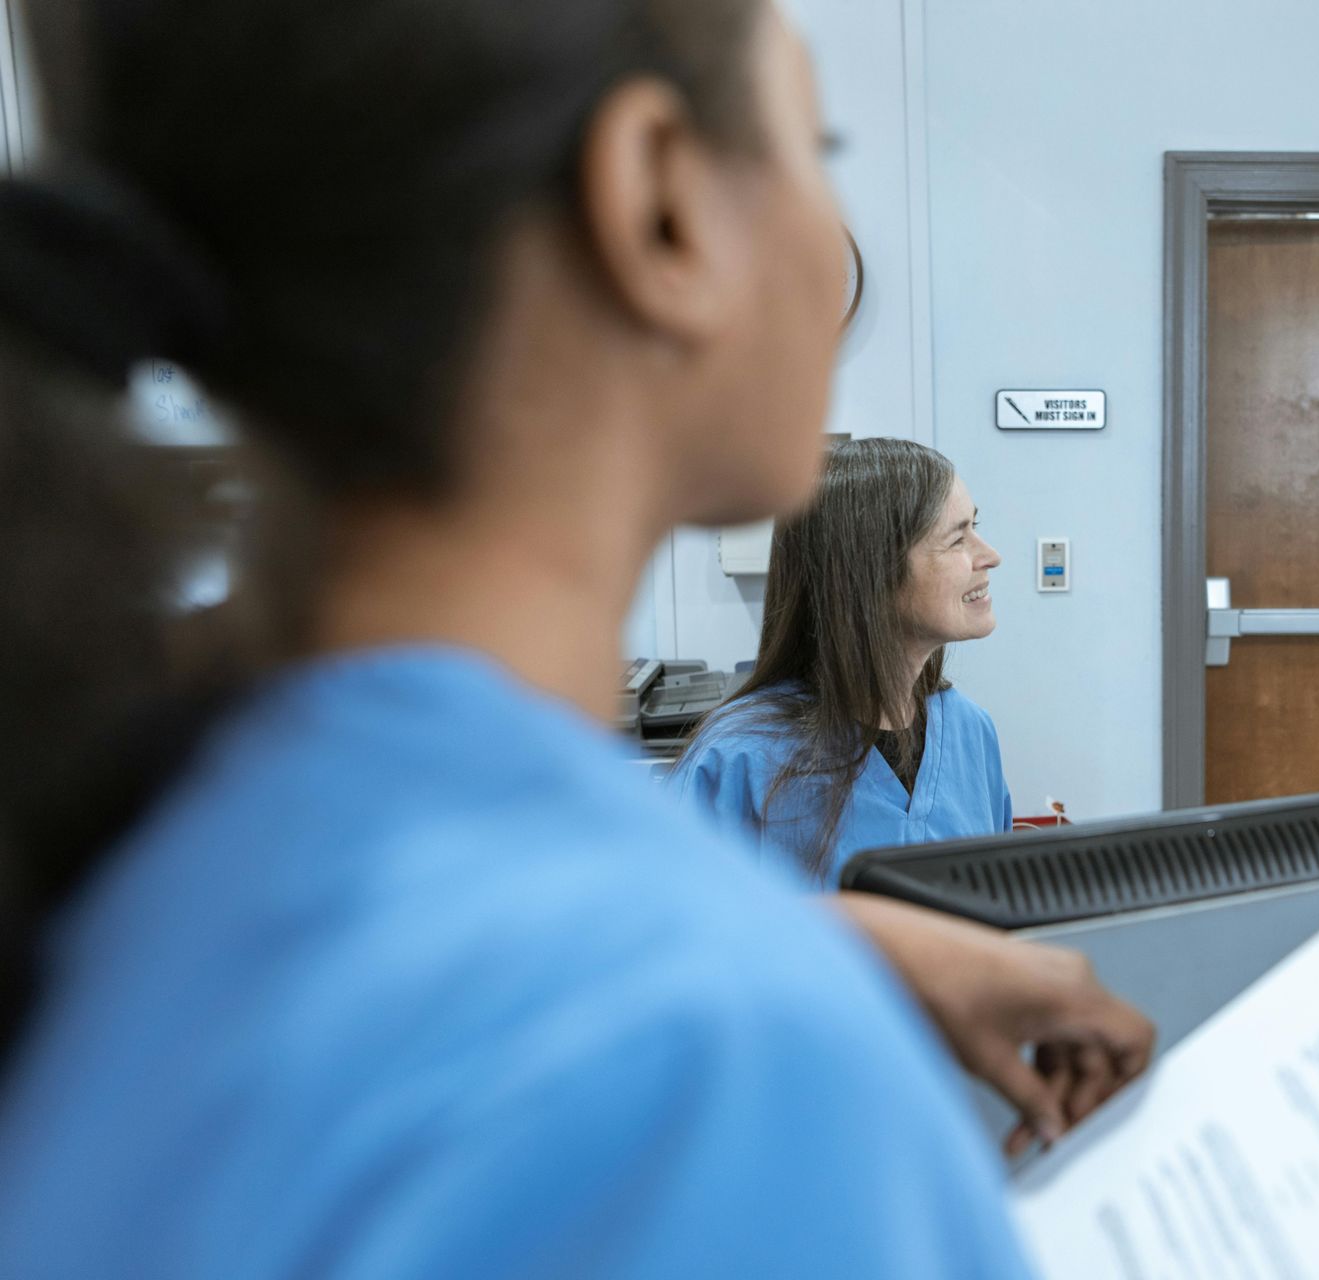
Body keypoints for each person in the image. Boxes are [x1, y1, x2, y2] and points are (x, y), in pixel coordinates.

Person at [0, 0, 1153, 1274]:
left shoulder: (124, 844)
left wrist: (825, 943)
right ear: (659, 204)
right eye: (815, 150)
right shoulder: (715, 1072)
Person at [674, 437, 1013, 882]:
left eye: (976, 527)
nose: (990, 556)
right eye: (957, 539)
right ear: (872, 571)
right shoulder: (736, 762)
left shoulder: (971, 733)